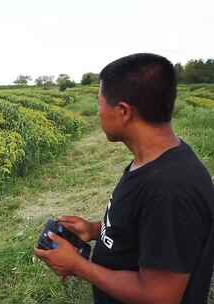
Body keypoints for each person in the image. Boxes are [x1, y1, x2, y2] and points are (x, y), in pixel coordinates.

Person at [34, 53, 214, 303]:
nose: (98, 113)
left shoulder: (171, 189)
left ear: (123, 112)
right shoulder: (150, 162)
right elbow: (147, 230)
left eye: (100, 104)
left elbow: (159, 296)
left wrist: (78, 266)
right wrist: (95, 230)